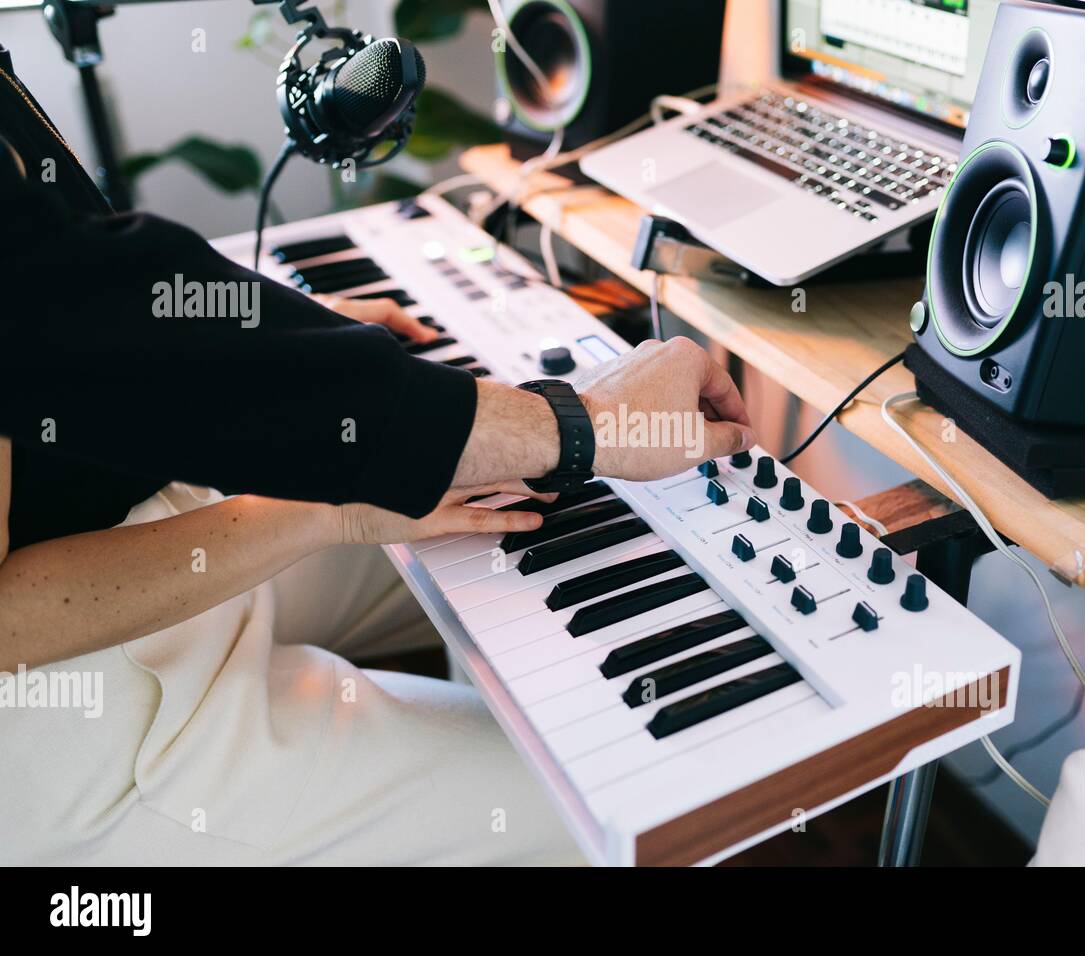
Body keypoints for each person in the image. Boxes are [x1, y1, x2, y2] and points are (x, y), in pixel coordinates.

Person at [0, 46, 755, 864]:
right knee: (611, 816)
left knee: (535, 530)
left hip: (159, 516)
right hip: (81, 722)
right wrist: (578, 423)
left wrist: (297, 333)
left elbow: (56, 307)